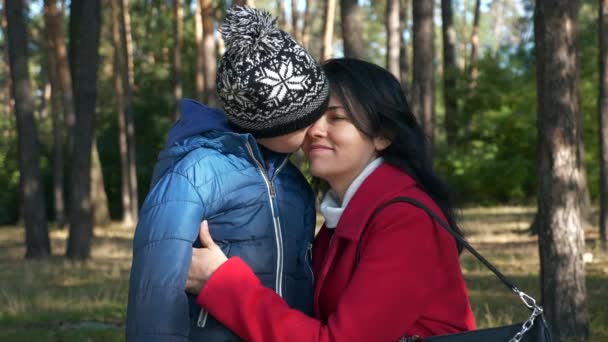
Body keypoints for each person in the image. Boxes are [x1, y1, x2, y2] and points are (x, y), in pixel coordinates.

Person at [185, 58, 477, 341]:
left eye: (336, 117)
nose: (315, 130)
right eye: (312, 117)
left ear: (383, 135)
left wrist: (220, 282)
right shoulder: (340, 221)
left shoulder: (407, 220)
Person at [126, 7, 330, 341]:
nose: (318, 127)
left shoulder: (294, 183)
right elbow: (156, 288)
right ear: (276, 124)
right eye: (309, 118)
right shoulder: (197, 171)